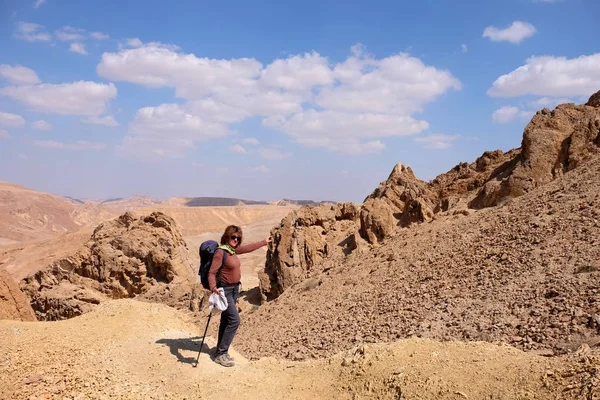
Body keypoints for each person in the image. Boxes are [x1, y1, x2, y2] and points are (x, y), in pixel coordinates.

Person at [208, 224, 270, 367]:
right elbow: (211, 272)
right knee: (235, 320)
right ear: (227, 236)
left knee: (226, 320)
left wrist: (263, 242)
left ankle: (220, 350)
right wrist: (213, 287)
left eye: (238, 238)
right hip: (225, 291)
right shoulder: (221, 252)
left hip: (235, 290)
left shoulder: (232, 251)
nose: (235, 239)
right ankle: (221, 353)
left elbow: (247, 248)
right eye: (233, 237)